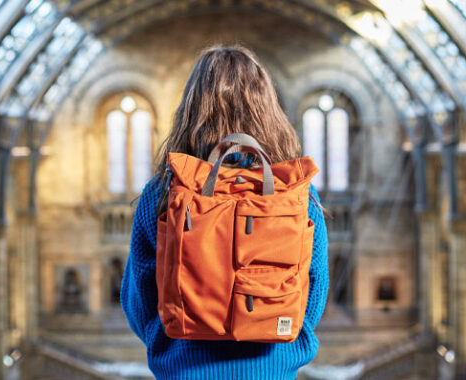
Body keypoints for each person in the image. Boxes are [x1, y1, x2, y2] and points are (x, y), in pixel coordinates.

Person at [121, 45, 329, 380]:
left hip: (184, 368)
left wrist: (175, 339)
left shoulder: (162, 193)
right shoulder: (299, 196)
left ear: (189, 108)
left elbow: (140, 301)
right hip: (272, 370)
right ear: (269, 108)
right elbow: (313, 294)